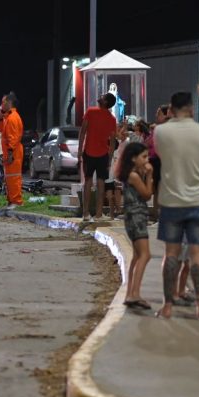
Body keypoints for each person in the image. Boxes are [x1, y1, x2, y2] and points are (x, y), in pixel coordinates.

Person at [154, 91, 199, 321]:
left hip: (171, 201)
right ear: (191, 108)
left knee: (171, 255)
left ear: (170, 109)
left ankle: (167, 307)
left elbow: (161, 155)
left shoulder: (160, 131)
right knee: (197, 255)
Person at [120, 142, 153, 311]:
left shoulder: (131, 174)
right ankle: (135, 293)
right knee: (145, 255)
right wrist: (150, 176)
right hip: (136, 217)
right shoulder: (134, 176)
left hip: (132, 217)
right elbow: (147, 195)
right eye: (144, 157)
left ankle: (130, 293)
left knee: (137, 256)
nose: (147, 160)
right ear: (133, 158)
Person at [78, 91, 117, 221]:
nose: (100, 96)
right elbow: (112, 143)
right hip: (103, 155)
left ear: (105, 102)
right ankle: (99, 214)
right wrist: (109, 161)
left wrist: (79, 151)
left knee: (88, 182)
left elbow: (82, 132)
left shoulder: (90, 112)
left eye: (103, 96)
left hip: (89, 152)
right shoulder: (112, 119)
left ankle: (86, 213)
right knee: (101, 183)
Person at [0, 92, 24, 207]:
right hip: (10, 151)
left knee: (13, 177)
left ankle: (16, 201)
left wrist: (11, 152)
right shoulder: (8, 117)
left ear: (8, 102)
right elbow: (1, 130)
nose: (1, 105)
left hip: (14, 151)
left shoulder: (13, 117)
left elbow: (14, 137)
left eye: (3, 102)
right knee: (9, 178)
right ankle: (12, 200)